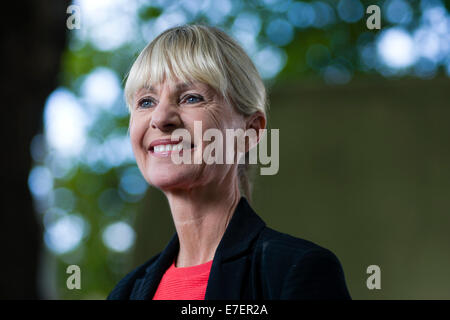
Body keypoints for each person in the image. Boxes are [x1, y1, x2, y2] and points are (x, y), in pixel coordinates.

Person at [107, 24, 351, 300]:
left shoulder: (295, 271)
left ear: (250, 132)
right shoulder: (124, 294)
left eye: (191, 98)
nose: (161, 118)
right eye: (146, 102)